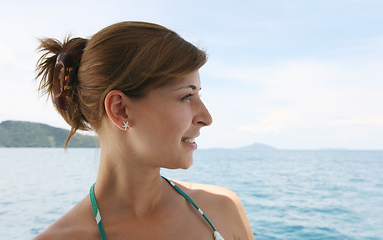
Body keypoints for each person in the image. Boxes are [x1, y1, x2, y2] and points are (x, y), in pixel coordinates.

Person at [34, 21, 254, 240]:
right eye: (187, 96)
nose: (207, 118)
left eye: (198, 95)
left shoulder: (223, 209)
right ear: (120, 110)